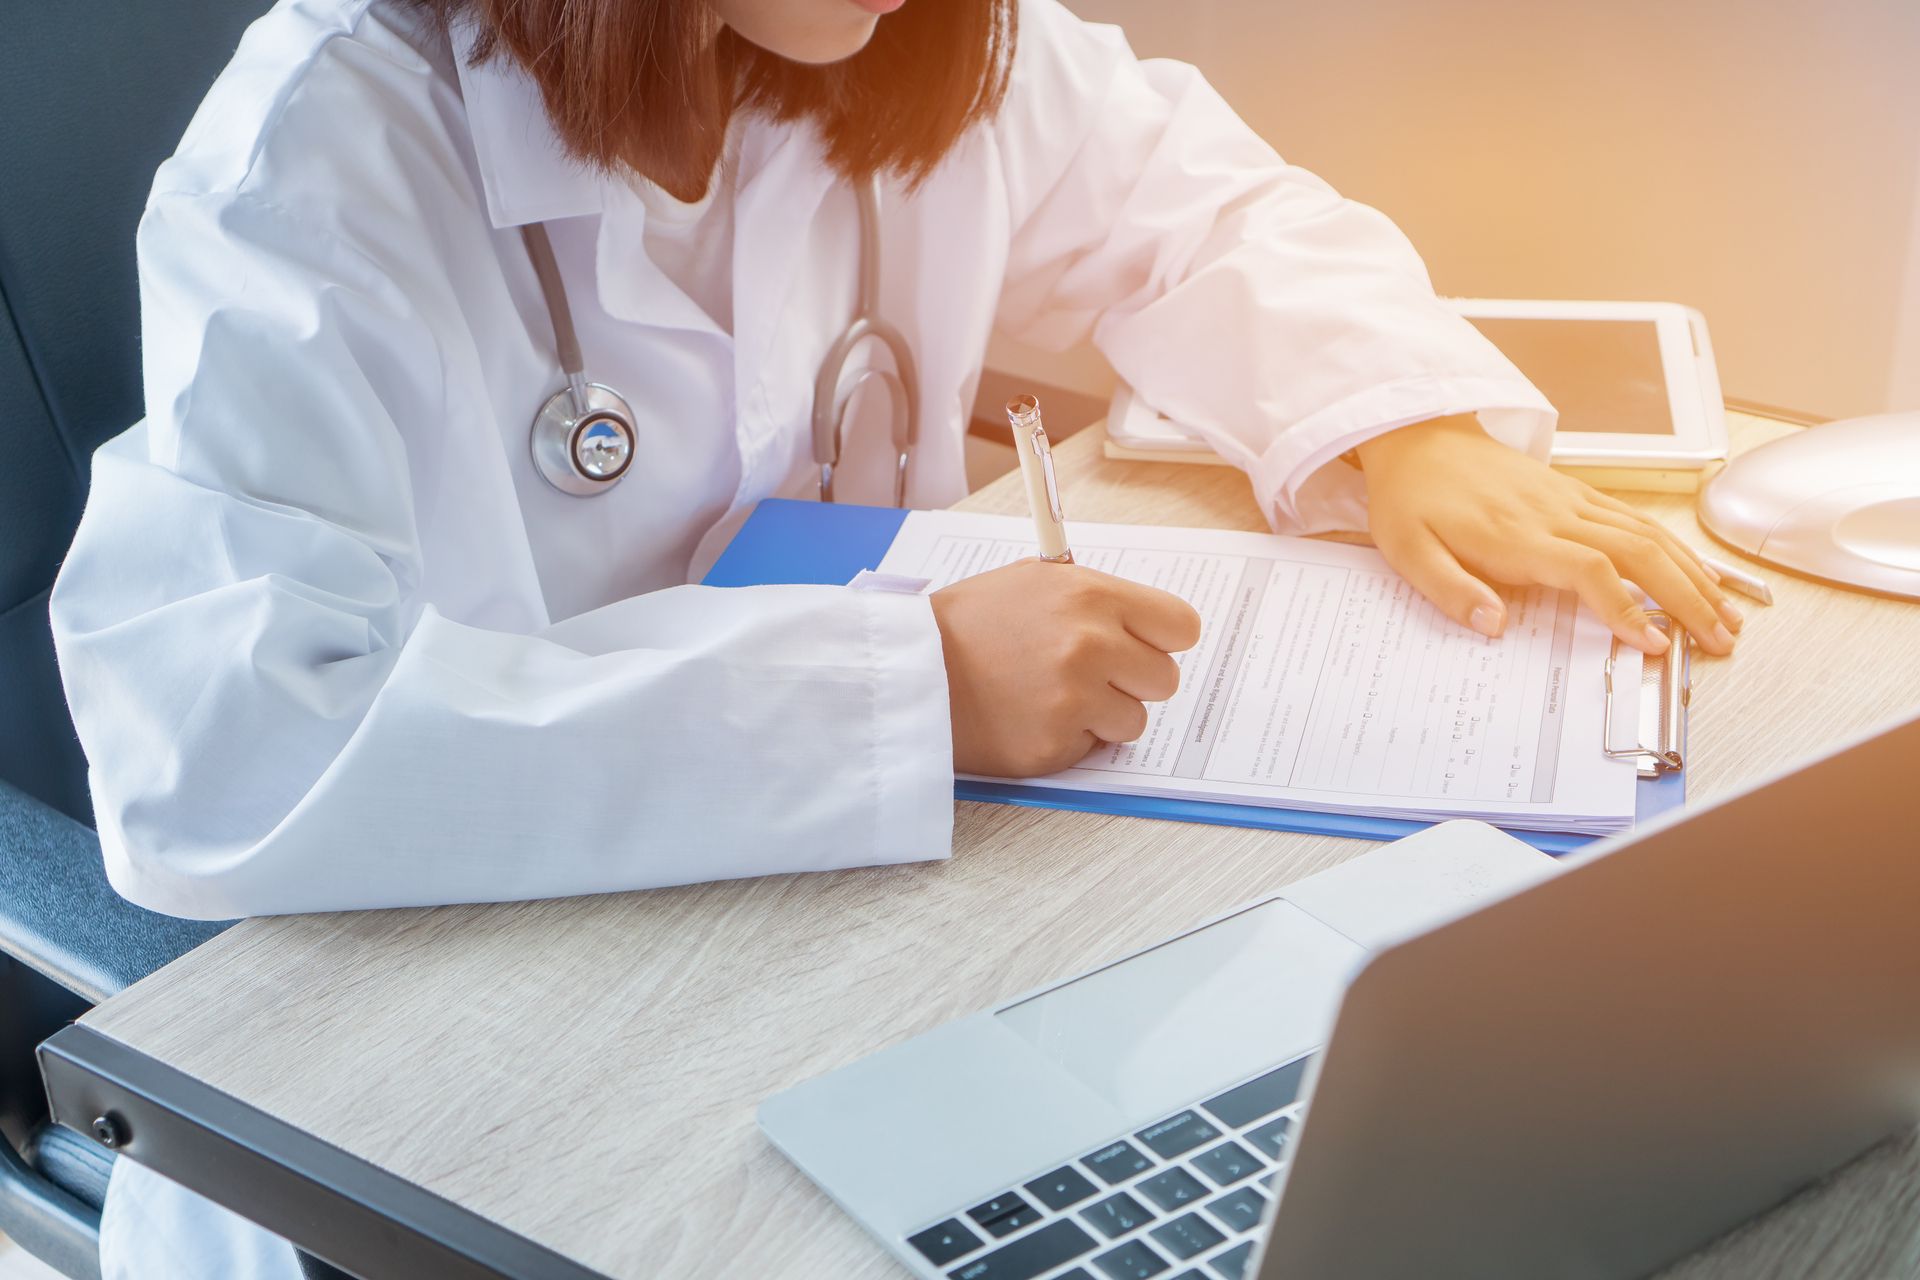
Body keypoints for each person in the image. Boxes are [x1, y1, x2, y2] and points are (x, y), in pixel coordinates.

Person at [49, 0, 1743, 1273]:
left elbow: (1204, 212)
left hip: (841, 989)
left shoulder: (903, 40)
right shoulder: (321, 153)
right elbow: (227, 746)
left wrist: (1401, 430)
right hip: (455, 1116)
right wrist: (906, 691)